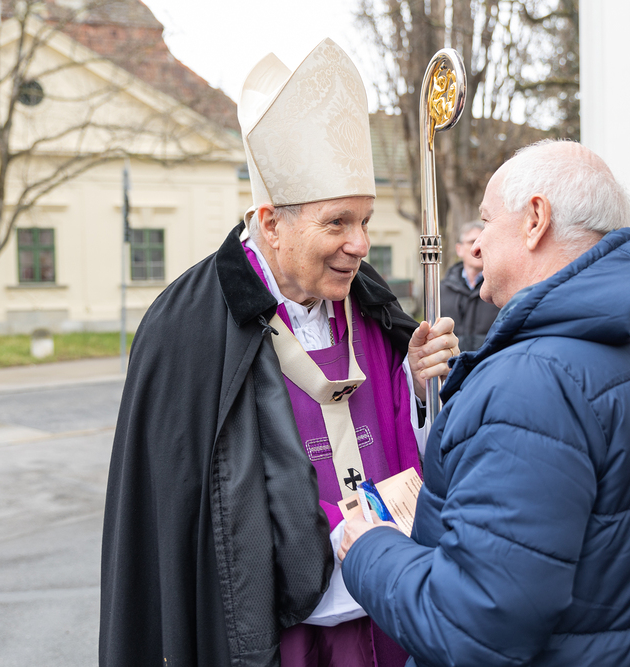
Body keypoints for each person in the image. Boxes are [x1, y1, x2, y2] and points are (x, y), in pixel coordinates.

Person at [99, 38, 458, 667]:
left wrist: (420, 385)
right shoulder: (188, 327)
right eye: (337, 222)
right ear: (270, 223)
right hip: (273, 634)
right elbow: (181, 517)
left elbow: (410, 443)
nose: (360, 244)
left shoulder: (370, 305)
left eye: (365, 220)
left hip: (390, 614)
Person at [338, 140, 630, 666]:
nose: (476, 246)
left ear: (535, 220)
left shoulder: (532, 382)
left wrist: (370, 548)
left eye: (486, 221)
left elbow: (475, 626)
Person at [441, 221, 501, 352]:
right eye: (472, 241)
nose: (478, 247)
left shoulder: (501, 289)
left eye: (484, 241)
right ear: (459, 249)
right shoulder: (442, 290)